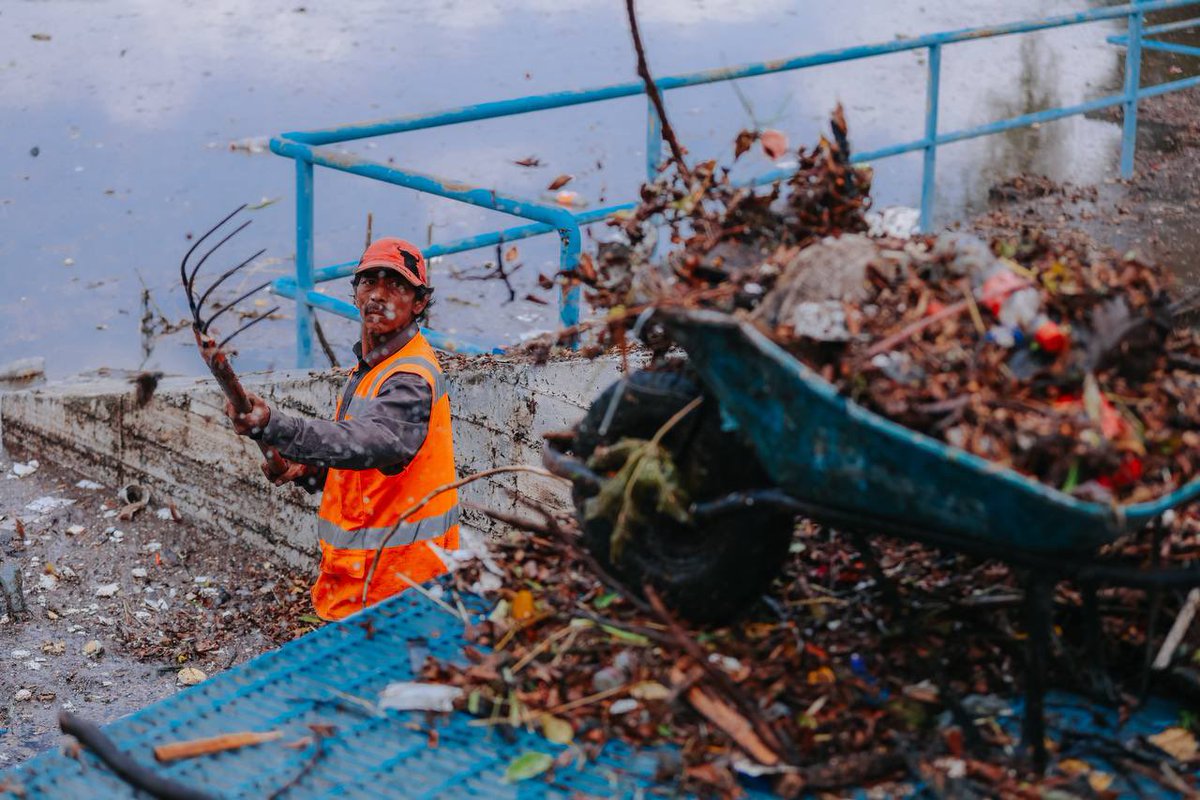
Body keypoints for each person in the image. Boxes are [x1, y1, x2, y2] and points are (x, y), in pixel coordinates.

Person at [225, 237, 459, 621]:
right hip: (365, 578)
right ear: (355, 294)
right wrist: (310, 470)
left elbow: (378, 443)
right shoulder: (373, 365)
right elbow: (365, 466)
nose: (378, 295)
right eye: (369, 282)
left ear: (418, 303)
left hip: (399, 587)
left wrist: (276, 426)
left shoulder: (410, 377)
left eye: (395, 285)